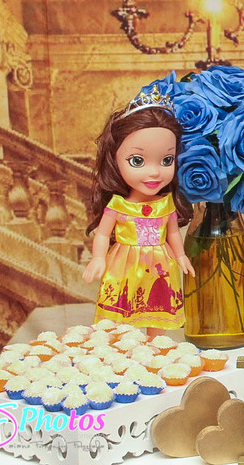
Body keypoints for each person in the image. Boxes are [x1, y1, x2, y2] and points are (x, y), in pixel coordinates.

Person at [82, 88, 195, 336]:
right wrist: (98, 258)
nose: (154, 172)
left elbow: (172, 233)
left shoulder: (165, 204)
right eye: (137, 161)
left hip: (160, 266)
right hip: (125, 265)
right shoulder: (118, 205)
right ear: (115, 159)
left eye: (166, 160)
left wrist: (181, 255)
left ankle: (156, 348)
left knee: (157, 312)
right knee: (122, 316)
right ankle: (124, 348)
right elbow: (103, 234)